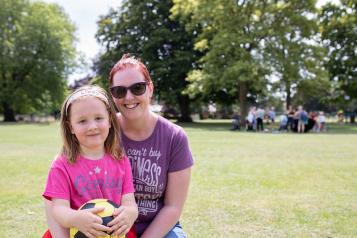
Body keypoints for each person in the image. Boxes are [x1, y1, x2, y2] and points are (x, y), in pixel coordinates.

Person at [107, 54, 194, 237]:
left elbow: (173, 207)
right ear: (112, 96)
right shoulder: (104, 130)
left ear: (150, 88)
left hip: (158, 227)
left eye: (137, 88)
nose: (129, 97)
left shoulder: (174, 137)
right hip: (111, 227)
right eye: (119, 91)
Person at [43, 85, 138, 238]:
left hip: (114, 233)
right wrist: (75, 218)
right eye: (82, 121)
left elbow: (130, 203)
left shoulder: (121, 160)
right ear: (71, 127)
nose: (92, 126)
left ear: (109, 121)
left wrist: (130, 213)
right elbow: (59, 209)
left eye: (99, 118)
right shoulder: (61, 165)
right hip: (76, 233)